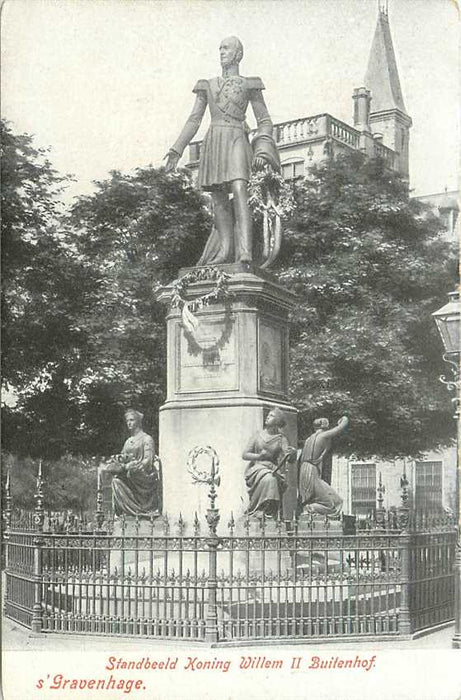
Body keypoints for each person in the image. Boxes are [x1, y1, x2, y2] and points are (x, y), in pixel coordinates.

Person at [164, 36, 280, 264]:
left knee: (239, 188)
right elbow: (194, 119)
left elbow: (265, 120)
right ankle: (225, 250)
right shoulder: (207, 85)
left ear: (238, 54)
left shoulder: (250, 84)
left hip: (237, 137)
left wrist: (261, 150)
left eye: (226, 48)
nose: (221, 52)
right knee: (217, 196)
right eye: (219, 49)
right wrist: (176, 149)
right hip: (215, 140)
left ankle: (245, 252)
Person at [99, 409, 158, 518]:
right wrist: (117, 464)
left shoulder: (146, 439)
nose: (129, 423)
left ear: (138, 422)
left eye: (132, 420)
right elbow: (122, 458)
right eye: (127, 421)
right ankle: (129, 513)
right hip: (129, 474)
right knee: (116, 482)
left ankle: (141, 511)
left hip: (142, 477)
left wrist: (135, 466)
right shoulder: (128, 441)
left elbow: (148, 461)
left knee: (130, 473)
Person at [242, 408, 296, 518]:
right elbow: (245, 454)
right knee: (269, 479)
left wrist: (292, 453)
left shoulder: (281, 439)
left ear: (277, 421)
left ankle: (269, 513)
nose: (267, 417)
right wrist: (259, 456)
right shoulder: (257, 435)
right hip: (257, 468)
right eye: (268, 415)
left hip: (272, 469)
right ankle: (257, 510)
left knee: (272, 479)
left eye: (271, 416)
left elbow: (289, 458)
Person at [298, 416, 349, 518]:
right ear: (325, 427)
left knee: (337, 501)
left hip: (307, 471)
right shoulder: (323, 436)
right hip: (311, 472)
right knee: (330, 506)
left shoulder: (309, 439)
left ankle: (311, 511)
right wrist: (344, 418)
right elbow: (340, 428)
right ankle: (309, 509)